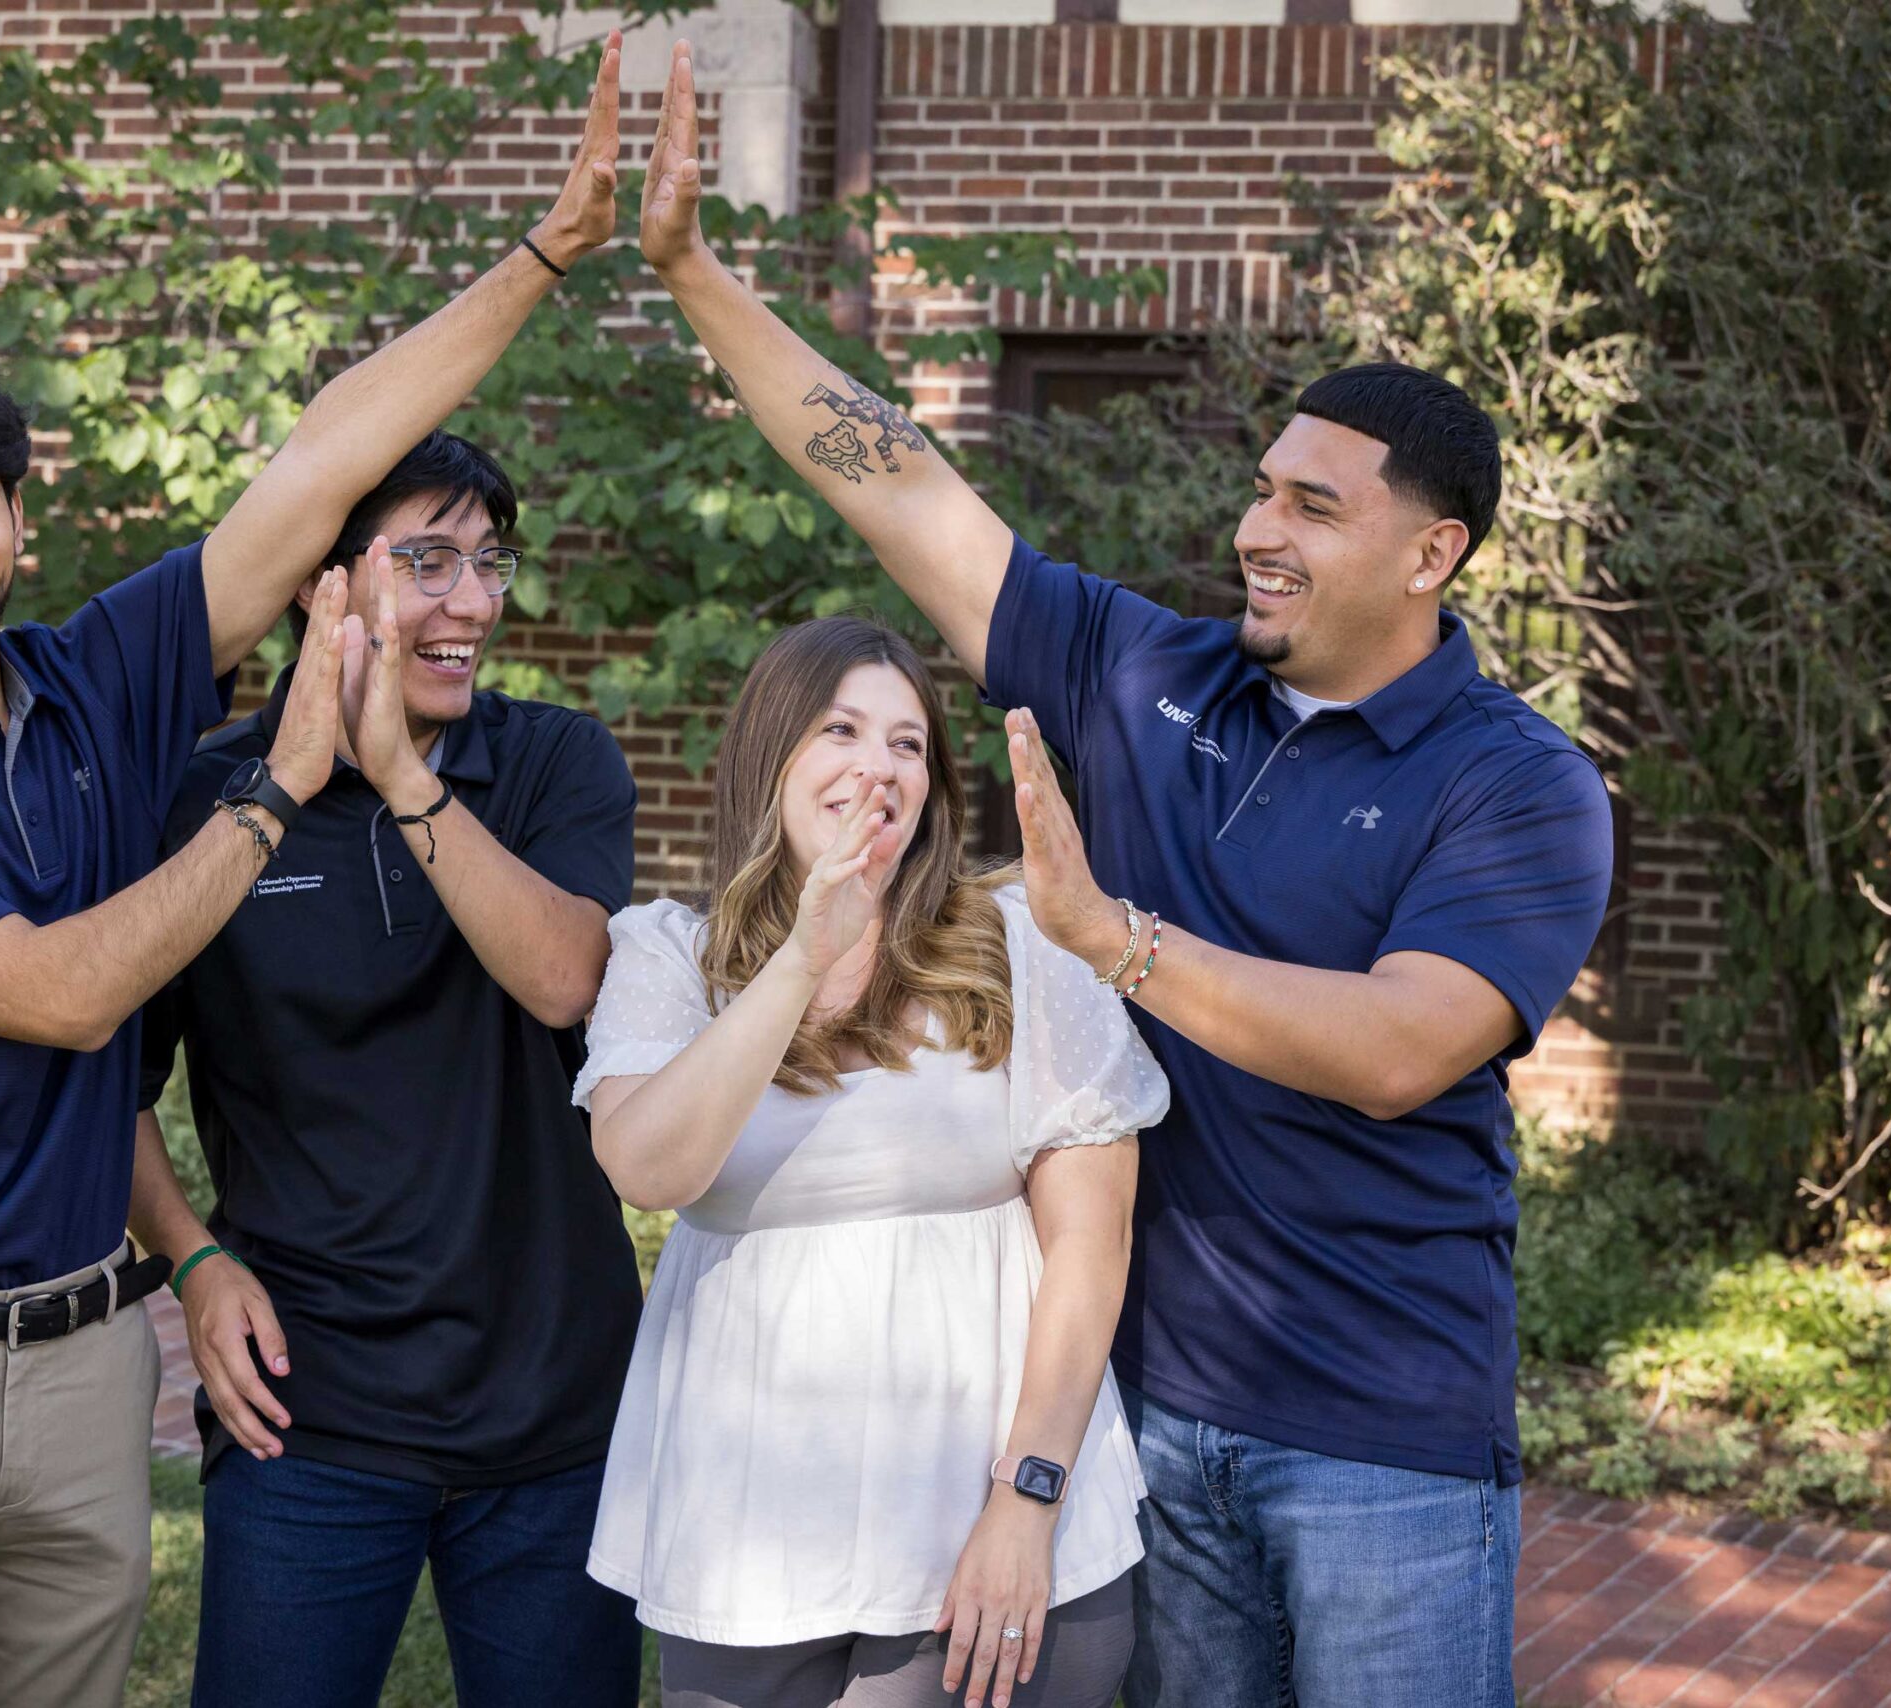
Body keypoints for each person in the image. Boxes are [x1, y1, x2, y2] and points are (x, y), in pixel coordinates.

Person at [637, 42, 1615, 1708]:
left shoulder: (1518, 784)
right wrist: (693, 275)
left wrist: (1115, 936)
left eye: (1313, 503)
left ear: (1429, 553)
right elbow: (896, 481)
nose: (1258, 524)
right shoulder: (1147, 677)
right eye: (1260, 484)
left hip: (1386, 1437)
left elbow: (1397, 1046)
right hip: (1150, 1419)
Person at [0, 43, 627, 1705]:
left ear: (17, 524)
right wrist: (279, 788)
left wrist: (547, 250)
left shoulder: (91, 688)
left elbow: (317, 466)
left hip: (76, 1366)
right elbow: (68, 998)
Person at [124, 43, 644, 1708]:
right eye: (425, 560)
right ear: (319, 587)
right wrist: (193, 1262)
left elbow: (567, 978)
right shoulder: (203, 804)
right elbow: (103, 1082)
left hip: (558, 1420)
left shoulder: (552, 761)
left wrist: (407, 773)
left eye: (487, 563)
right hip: (310, 1417)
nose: (470, 602)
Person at [575, 616, 1169, 1708]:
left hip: (983, 1515)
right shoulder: (670, 954)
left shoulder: (1017, 941)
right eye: (841, 728)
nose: (879, 765)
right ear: (769, 755)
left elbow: (1091, 1238)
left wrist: (1027, 1497)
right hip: (744, 1516)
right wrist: (805, 951)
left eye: (908, 743)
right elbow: (648, 1169)